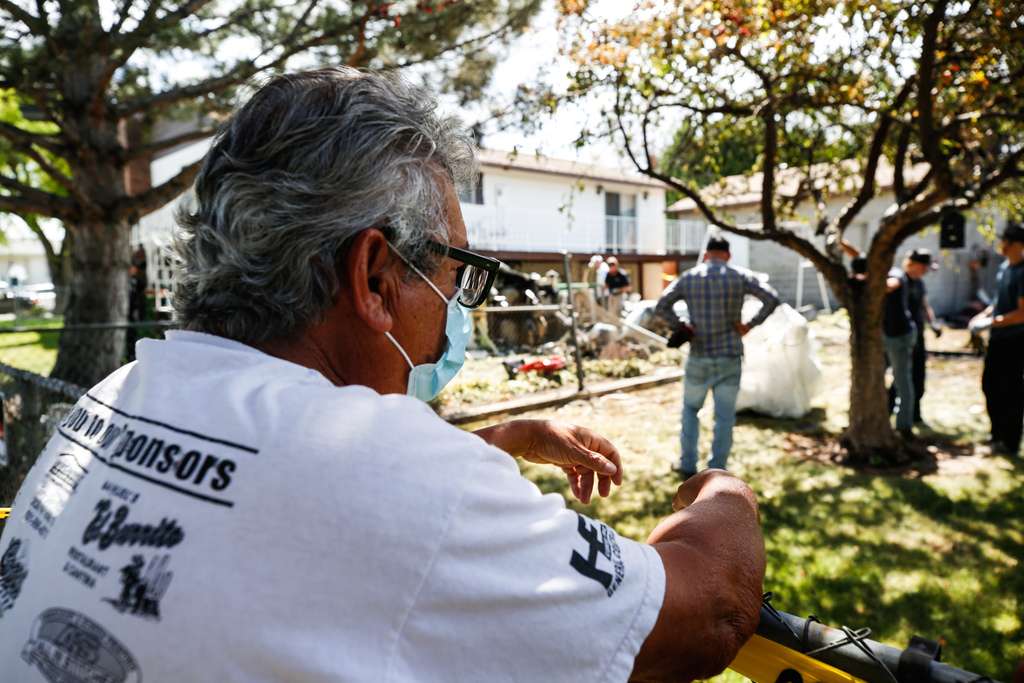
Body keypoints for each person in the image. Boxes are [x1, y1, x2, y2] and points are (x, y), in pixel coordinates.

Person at [0, 68, 765, 682]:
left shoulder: (116, 397)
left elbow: (293, 508)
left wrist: (490, 442)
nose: (457, 306)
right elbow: (711, 610)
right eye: (455, 270)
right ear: (372, 276)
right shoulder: (391, 476)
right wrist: (720, 488)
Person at [655, 236, 780, 477]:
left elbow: (662, 306)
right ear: (728, 255)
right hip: (729, 355)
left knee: (691, 409)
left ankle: (687, 464)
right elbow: (771, 298)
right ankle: (717, 469)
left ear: (706, 254)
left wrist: (683, 326)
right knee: (724, 416)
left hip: (699, 354)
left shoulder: (689, 277)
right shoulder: (739, 276)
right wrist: (749, 325)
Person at [970, 222, 1024, 456]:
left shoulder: (1023, 272)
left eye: (1005, 242)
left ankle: (1010, 442)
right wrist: (981, 317)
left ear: (1017, 245)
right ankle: (996, 434)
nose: (1000, 245)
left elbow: (1022, 313)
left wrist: (992, 322)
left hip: (1015, 341)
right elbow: (997, 302)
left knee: (1011, 390)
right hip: (998, 339)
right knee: (990, 385)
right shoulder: (1005, 268)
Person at [887, 249, 941, 426]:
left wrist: (933, 323)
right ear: (914, 264)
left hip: (916, 336)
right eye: (924, 267)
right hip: (899, 335)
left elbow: (925, 306)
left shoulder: (919, 283)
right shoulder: (900, 277)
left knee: (917, 376)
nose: (925, 271)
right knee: (901, 376)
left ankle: (914, 414)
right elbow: (890, 284)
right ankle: (889, 411)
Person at [882, 252, 921, 437]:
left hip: (900, 335)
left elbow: (889, 286)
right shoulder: (886, 272)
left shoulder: (895, 274)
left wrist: (864, 282)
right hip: (888, 334)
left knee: (902, 380)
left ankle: (904, 426)